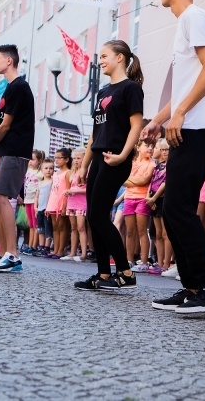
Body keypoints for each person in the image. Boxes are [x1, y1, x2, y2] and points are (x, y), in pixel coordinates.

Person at [143, 0, 205, 313]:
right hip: (186, 127)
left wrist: (178, 115)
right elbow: (183, 89)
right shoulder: (185, 23)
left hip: (199, 128)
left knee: (179, 208)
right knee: (173, 208)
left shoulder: (195, 17)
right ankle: (192, 287)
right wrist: (159, 119)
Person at [73, 39, 143, 291]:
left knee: (97, 216)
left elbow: (136, 125)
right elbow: (95, 133)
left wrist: (124, 155)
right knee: (95, 217)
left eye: (104, 56)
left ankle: (125, 272)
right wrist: (84, 165)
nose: (100, 61)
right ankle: (103, 274)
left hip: (116, 158)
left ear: (120, 58)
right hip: (99, 158)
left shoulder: (130, 89)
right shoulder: (103, 92)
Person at [0, 44, 35, 273]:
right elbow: (3, 123)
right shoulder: (10, 88)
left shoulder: (18, 87)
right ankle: (2, 252)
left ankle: (13, 255)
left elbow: (7, 125)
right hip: (7, 149)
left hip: (15, 149)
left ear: (9, 61)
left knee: (1, 198)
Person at [123, 140, 156, 271]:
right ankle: (129, 259)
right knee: (130, 231)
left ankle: (143, 262)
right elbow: (122, 179)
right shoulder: (132, 162)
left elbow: (144, 181)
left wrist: (130, 179)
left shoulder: (152, 164)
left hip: (142, 198)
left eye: (152, 146)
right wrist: (132, 180)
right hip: (129, 198)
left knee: (142, 231)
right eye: (147, 146)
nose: (150, 148)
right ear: (138, 147)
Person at [146, 138, 170, 274]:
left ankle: (166, 263)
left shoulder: (170, 165)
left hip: (163, 199)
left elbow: (165, 183)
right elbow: (153, 182)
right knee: (158, 233)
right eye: (163, 149)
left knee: (166, 233)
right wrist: (150, 198)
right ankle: (159, 263)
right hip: (154, 200)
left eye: (167, 149)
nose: (165, 152)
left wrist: (154, 198)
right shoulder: (157, 167)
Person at [46, 148, 72, 259]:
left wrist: (64, 206)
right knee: (55, 227)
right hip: (53, 201)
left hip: (61, 202)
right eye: (55, 158)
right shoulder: (56, 173)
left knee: (62, 227)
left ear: (66, 159)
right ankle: (55, 249)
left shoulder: (68, 173)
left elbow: (67, 189)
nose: (56, 160)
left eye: (59, 158)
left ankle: (61, 250)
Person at [64, 147, 88, 262]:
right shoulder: (73, 172)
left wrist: (75, 190)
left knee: (81, 227)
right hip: (71, 202)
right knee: (73, 228)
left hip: (81, 203)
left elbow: (89, 189)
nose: (76, 160)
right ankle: (72, 252)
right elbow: (71, 187)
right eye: (75, 158)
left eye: (79, 158)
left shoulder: (86, 171)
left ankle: (83, 253)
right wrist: (68, 191)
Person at [22, 149, 44, 255]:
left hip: (35, 200)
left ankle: (34, 245)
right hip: (27, 199)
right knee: (30, 224)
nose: (30, 161)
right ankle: (29, 245)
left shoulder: (40, 174)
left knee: (35, 225)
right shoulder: (27, 171)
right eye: (29, 159)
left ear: (39, 161)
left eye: (33, 159)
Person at [35, 159, 54, 255]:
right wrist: (35, 207)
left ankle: (47, 247)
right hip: (40, 209)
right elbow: (37, 196)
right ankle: (41, 246)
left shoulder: (52, 181)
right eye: (46, 168)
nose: (48, 170)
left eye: (51, 168)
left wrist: (49, 208)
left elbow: (52, 195)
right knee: (40, 229)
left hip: (47, 209)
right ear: (42, 170)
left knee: (48, 229)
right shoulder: (40, 183)